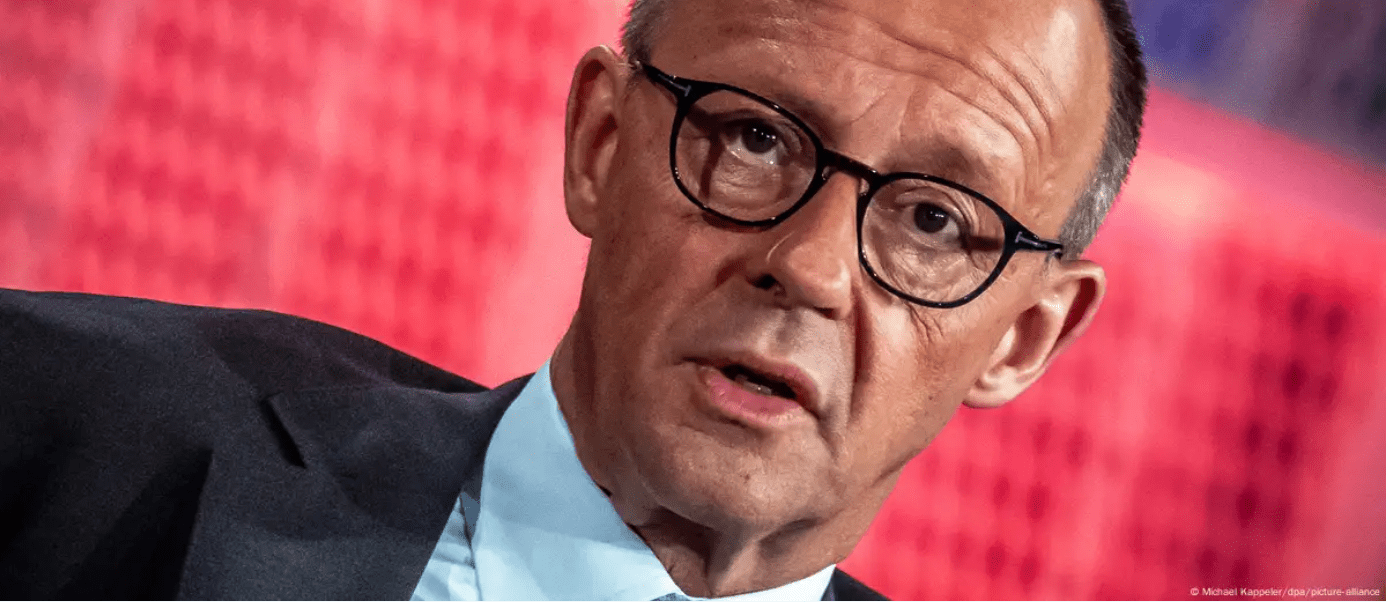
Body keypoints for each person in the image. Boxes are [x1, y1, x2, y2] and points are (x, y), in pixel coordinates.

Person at [0, 0, 1146, 598]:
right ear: (600, 142)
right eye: (755, 138)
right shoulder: (55, 421)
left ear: (1023, 335)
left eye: (934, 220)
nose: (808, 266)